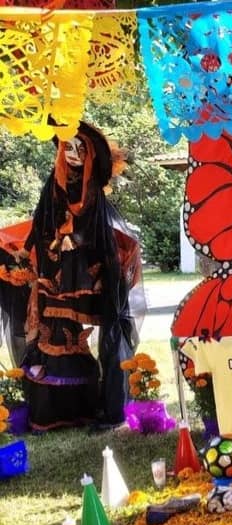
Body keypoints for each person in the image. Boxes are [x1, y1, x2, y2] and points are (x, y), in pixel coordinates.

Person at [0, 122, 143, 431]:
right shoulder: (54, 183)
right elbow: (40, 221)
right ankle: (56, 408)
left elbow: (95, 228)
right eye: (69, 147)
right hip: (54, 269)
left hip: (89, 270)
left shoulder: (92, 190)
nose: (75, 154)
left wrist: (74, 240)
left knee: (105, 329)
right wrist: (26, 252)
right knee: (54, 329)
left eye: (81, 149)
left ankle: (106, 404)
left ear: (90, 155)